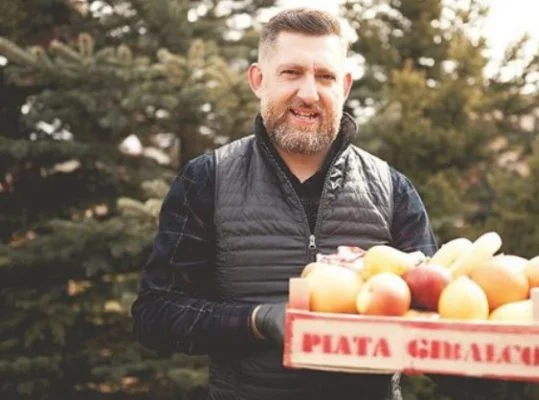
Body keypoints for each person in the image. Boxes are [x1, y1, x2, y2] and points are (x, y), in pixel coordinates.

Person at [131, 7, 440, 400]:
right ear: (258, 80)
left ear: (345, 86)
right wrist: (257, 320)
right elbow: (156, 314)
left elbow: (435, 315)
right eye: (291, 73)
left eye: (325, 76)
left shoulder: (392, 188)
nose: (308, 93)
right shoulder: (207, 180)